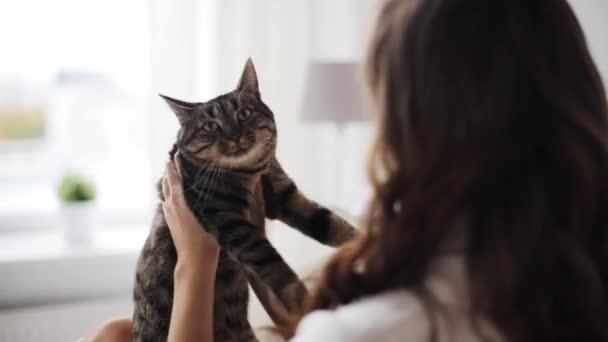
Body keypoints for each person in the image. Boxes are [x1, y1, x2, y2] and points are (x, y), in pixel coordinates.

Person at [85, 0, 608, 340]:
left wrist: (193, 265)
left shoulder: (368, 330)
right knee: (115, 332)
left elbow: (276, 261)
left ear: (410, 123)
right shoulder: (571, 267)